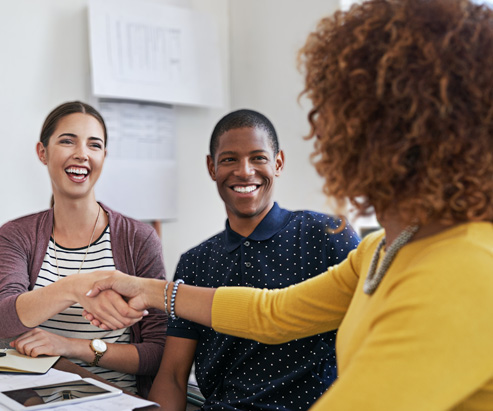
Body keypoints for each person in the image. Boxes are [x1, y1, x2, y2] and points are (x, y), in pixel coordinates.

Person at [86, 0, 493, 409]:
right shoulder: (383, 248)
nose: (324, 132)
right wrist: (144, 289)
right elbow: (273, 314)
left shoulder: (466, 267)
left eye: (340, 115)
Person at [146, 109, 359, 410]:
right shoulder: (195, 262)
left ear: (279, 163)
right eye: (230, 159)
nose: (245, 171)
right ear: (211, 167)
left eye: (258, 157)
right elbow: (173, 377)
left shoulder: (327, 235)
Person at [0, 101, 167, 397]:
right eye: (67, 141)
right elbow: (4, 320)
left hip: (116, 401)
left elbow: (156, 354)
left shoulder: (139, 239)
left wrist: (71, 346)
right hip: (33, 401)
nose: (82, 154)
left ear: (104, 155)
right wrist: (75, 287)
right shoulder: (16, 235)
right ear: (43, 152)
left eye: (94, 145)